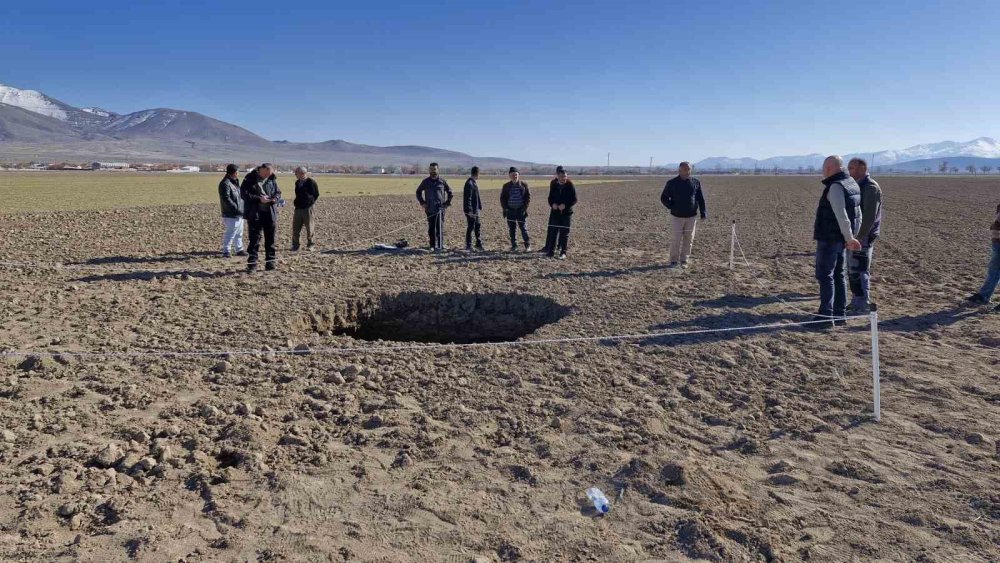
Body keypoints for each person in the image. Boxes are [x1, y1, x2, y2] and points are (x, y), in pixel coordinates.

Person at [814, 155, 863, 325]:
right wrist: (851, 237)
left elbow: (842, 216)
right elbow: (858, 214)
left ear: (828, 168)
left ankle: (825, 318)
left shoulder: (835, 186)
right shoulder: (851, 183)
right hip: (841, 238)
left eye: (823, 167)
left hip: (830, 238)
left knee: (825, 275)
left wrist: (849, 238)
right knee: (838, 274)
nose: (823, 171)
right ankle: (839, 314)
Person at [846, 158, 883, 312]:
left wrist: (859, 237)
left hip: (863, 236)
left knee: (860, 268)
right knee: (853, 269)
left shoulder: (870, 187)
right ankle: (857, 301)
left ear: (862, 168)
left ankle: (862, 303)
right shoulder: (857, 185)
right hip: (856, 235)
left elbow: (869, 217)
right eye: (848, 168)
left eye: (852, 168)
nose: (849, 172)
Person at [660, 162, 707, 268]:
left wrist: (703, 212)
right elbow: (663, 198)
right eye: (685, 169)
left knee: (689, 239)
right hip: (677, 217)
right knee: (676, 238)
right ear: (679, 170)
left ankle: (684, 260)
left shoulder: (695, 182)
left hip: (691, 216)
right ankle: (673, 260)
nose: (687, 171)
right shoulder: (672, 183)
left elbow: (700, 198)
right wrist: (672, 206)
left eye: (689, 169)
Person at [240, 163, 282, 272]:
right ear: (261, 169)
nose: (267, 176)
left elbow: (278, 192)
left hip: (270, 213)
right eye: (266, 173)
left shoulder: (271, 179)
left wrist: (275, 199)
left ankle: (270, 263)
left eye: (269, 174)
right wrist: (259, 199)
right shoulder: (249, 179)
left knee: (270, 240)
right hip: (255, 214)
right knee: (254, 240)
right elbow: (244, 194)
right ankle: (252, 265)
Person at [966, 203, 1000, 311]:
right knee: (994, 270)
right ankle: (983, 296)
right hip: (997, 242)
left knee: (994, 269)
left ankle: (983, 296)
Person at [415, 162, 453, 251]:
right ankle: (432, 245)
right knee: (431, 228)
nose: (433, 171)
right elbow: (418, 192)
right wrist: (422, 203)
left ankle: (440, 245)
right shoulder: (425, 182)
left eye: (434, 169)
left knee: (440, 228)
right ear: (429, 170)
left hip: (440, 210)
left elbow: (450, 193)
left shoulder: (442, 181)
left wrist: (446, 203)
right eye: (431, 169)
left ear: (438, 170)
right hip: (430, 209)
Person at [543, 166, 577, 259]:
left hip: (566, 214)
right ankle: (551, 251)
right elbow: (550, 198)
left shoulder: (570, 185)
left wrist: (565, 205)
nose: (563, 178)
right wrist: (552, 204)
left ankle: (563, 252)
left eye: (565, 176)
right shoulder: (554, 184)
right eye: (561, 176)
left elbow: (574, 199)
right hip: (555, 213)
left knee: (564, 233)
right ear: (557, 176)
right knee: (553, 232)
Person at [500, 166, 532, 252]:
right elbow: (502, 198)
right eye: (513, 175)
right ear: (509, 176)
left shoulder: (524, 185)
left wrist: (525, 208)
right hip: (510, 211)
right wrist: (505, 208)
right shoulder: (506, 186)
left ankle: (527, 246)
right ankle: (514, 246)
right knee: (512, 229)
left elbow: (528, 197)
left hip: (521, 211)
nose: (515, 176)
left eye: (516, 174)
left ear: (519, 175)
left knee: (523, 228)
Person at [218, 164, 246, 258]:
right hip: (231, 213)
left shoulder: (234, 182)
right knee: (231, 232)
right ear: (234, 172)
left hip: (239, 213)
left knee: (239, 232)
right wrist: (236, 209)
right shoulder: (225, 183)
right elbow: (226, 198)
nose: (238, 174)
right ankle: (226, 251)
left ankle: (239, 249)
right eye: (238, 172)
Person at [291, 166, 320, 251]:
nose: (295, 174)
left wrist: (310, 202)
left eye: (296, 173)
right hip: (298, 208)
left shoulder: (311, 182)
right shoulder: (297, 182)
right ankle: (296, 245)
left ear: (302, 173)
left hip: (308, 209)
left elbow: (316, 194)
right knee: (296, 228)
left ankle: (311, 245)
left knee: (309, 227)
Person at [463, 166, 484, 251]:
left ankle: (478, 244)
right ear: (477, 173)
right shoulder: (469, 183)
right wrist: (469, 211)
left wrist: (479, 206)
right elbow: (468, 198)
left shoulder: (473, 182)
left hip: (476, 210)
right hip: (471, 211)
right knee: (471, 227)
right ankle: (468, 245)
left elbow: (476, 196)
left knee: (477, 226)